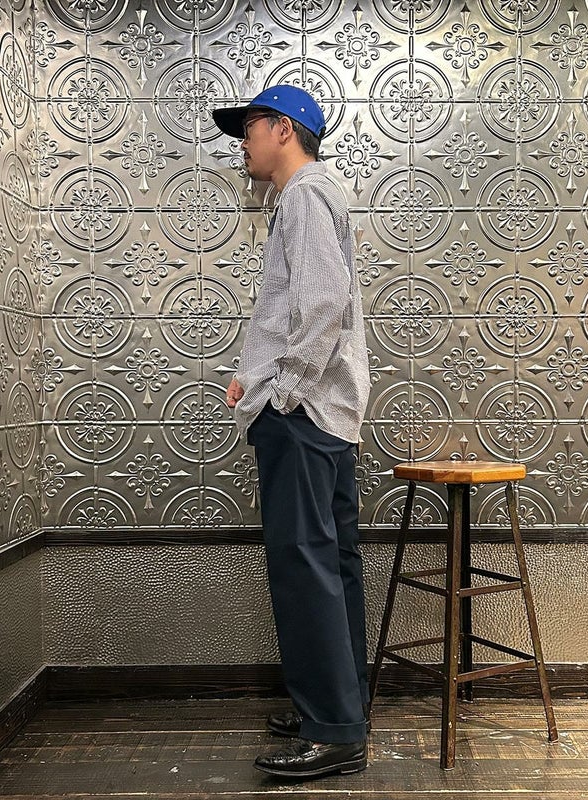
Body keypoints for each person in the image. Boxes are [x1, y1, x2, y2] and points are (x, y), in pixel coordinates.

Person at [212, 85, 371, 779]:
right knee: (332, 565)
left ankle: (333, 732)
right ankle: (343, 711)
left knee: (305, 567)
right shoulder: (320, 194)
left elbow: (323, 304)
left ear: (283, 129)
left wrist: (284, 392)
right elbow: (306, 312)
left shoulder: (304, 195)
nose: (243, 144)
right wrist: (261, 377)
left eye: (249, 128)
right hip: (331, 413)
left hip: (305, 416)